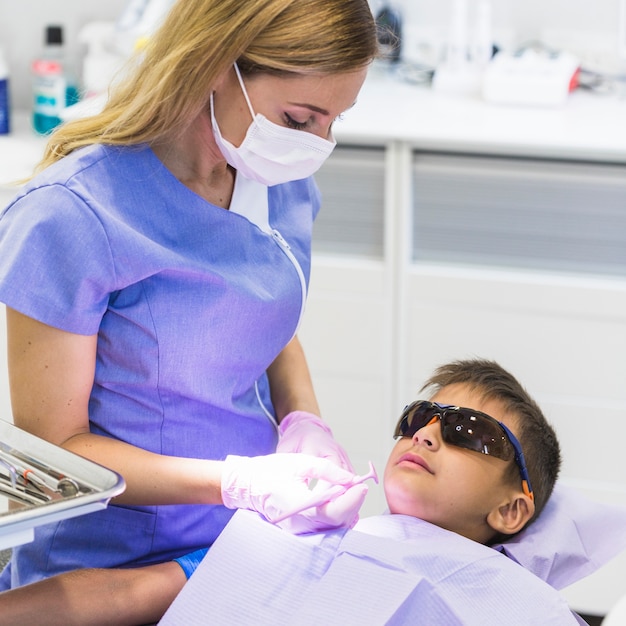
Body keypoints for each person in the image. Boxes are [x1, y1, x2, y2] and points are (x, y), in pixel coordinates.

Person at [0, 0, 379, 590]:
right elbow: (59, 449)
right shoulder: (75, 216)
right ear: (215, 67)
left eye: (337, 119)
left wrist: (304, 420)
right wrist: (235, 482)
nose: (318, 143)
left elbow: (257, 309)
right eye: (302, 119)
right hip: (114, 568)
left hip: (251, 546)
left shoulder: (277, 180)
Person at [0, 359, 562, 625]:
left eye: (469, 431)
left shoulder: (519, 601)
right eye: (422, 415)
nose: (428, 432)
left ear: (513, 507)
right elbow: (127, 595)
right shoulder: (304, 540)